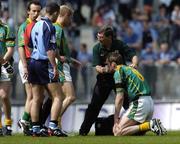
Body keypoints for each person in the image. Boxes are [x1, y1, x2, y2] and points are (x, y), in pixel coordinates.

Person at [79, 25, 138, 136]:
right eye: (98, 37)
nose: (99, 39)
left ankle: (137, 129)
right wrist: (104, 69)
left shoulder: (119, 44)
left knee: (128, 105)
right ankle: (83, 131)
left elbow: (133, 55)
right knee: (94, 106)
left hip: (120, 79)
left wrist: (134, 63)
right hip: (104, 80)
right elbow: (97, 67)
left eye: (101, 37)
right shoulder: (96, 48)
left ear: (110, 37)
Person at [106, 52, 167, 136]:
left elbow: (120, 97)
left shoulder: (118, 71)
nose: (107, 67)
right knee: (136, 133)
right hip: (149, 102)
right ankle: (150, 125)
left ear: (113, 64)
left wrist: (115, 120)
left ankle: (150, 125)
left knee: (118, 132)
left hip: (139, 103)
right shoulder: (129, 69)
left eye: (107, 64)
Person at [28, 2, 66, 137]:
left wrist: (58, 56)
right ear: (55, 13)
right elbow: (49, 48)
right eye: (58, 14)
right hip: (44, 63)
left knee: (37, 98)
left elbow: (31, 45)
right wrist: (54, 66)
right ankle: (53, 127)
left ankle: (35, 129)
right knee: (58, 96)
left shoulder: (35, 25)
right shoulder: (50, 26)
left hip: (33, 62)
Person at [17, 0, 42, 135]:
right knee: (33, 95)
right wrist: (25, 66)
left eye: (38, 11)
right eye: (33, 11)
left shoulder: (38, 25)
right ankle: (26, 121)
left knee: (34, 95)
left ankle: (29, 123)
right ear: (28, 11)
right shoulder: (24, 26)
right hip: (27, 62)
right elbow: (20, 46)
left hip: (35, 63)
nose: (36, 13)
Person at [54, 5, 79, 122]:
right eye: (70, 17)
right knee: (70, 96)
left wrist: (71, 60)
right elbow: (55, 50)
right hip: (60, 66)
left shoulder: (57, 28)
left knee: (59, 98)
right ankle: (54, 123)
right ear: (64, 16)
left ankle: (55, 125)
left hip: (61, 64)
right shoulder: (58, 29)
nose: (71, 21)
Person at [0, 19, 15, 136]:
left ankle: (8, 124)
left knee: (4, 96)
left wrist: (3, 62)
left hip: (5, 64)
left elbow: (10, 50)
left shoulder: (6, 28)